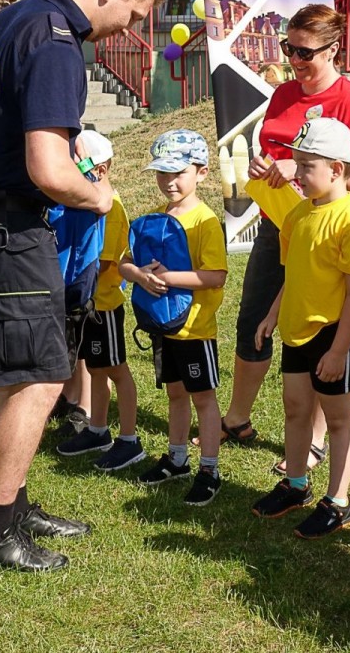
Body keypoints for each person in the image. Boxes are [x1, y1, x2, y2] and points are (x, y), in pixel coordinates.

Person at [0, 0, 167, 572]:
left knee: (25, 367)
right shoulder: (59, 41)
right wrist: (99, 193)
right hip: (6, 222)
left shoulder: (11, 17)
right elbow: (50, 169)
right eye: (136, 15)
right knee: (37, 374)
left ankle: (13, 506)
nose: (131, 30)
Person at [217, 4, 350, 474]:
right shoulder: (284, 93)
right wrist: (269, 169)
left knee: (317, 327)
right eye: (288, 48)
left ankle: (313, 441)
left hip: (329, 236)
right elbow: (275, 152)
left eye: (304, 51)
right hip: (281, 224)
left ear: (333, 50)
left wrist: (299, 168)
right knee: (255, 319)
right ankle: (237, 419)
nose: (294, 59)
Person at [250, 119, 350, 538]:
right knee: (295, 408)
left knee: (339, 419)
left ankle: (339, 500)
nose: (297, 173)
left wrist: (340, 350)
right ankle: (297, 485)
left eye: (306, 166)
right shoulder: (298, 215)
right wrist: (272, 314)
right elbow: (293, 274)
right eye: (298, 163)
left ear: (337, 170)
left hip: (333, 333)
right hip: (295, 330)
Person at [120, 130, 227, 506]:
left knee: (203, 399)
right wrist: (137, 275)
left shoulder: (206, 221)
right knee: (175, 395)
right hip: (165, 328)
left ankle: (210, 469)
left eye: (177, 172)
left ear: (201, 172)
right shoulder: (157, 220)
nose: (169, 181)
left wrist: (164, 277)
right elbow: (125, 261)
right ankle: (177, 458)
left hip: (195, 329)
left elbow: (215, 276)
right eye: (162, 174)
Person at [55, 130, 146, 471]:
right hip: (88, 305)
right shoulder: (79, 204)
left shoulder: (112, 208)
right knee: (96, 369)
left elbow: (102, 262)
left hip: (104, 306)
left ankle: (129, 439)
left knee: (117, 371)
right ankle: (97, 429)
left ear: (102, 169)